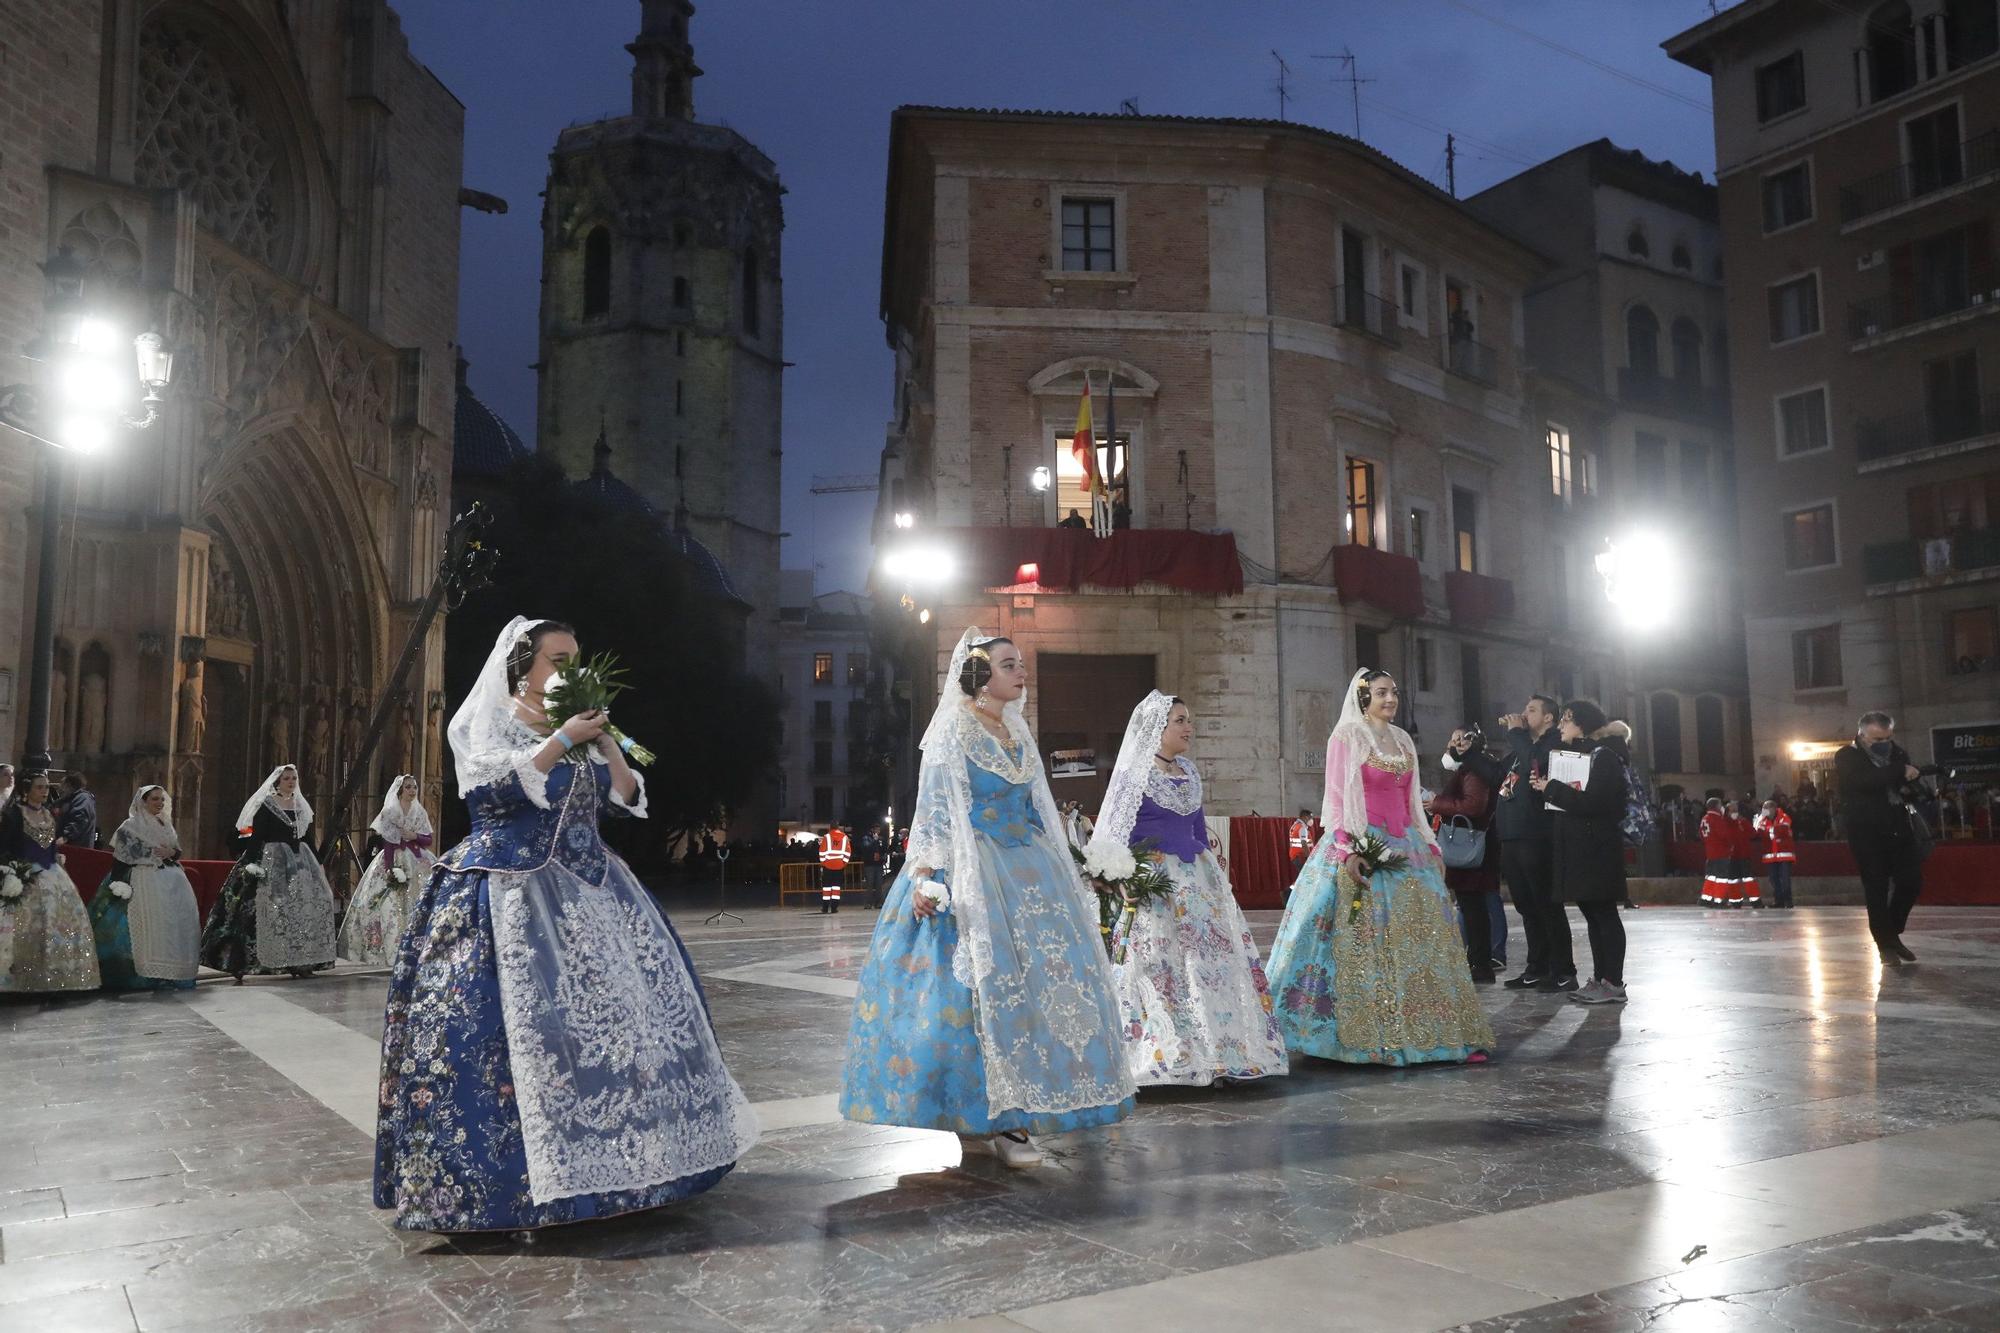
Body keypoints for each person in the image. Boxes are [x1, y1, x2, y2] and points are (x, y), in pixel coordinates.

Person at [374, 616, 757, 1232]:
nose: (570, 672)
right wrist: (560, 740)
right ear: (521, 667)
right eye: (558, 659)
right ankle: (519, 1186)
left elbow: (627, 796)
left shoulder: (579, 730)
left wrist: (604, 745)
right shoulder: (481, 723)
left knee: (621, 1030)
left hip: (596, 892)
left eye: (575, 660)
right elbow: (490, 790)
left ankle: (637, 1166)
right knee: (527, 1031)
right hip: (510, 890)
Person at [840, 630, 1134, 1168]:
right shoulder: (954, 728)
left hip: (1029, 873)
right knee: (972, 996)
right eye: (1008, 665)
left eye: (1020, 664)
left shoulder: (1018, 731)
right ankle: (986, 1120)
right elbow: (931, 811)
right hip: (972, 871)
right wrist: (927, 877)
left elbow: (1037, 812)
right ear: (979, 677)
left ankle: (1019, 1113)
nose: (1021, 672)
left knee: (1039, 993)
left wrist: (1077, 864)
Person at [1265, 670, 1494, 1065]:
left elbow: (1411, 802)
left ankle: (1435, 1034)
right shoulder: (1347, 738)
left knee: (1424, 944)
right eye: (1381, 693)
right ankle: (1360, 1037)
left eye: (1394, 692)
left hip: (1406, 844)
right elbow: (1336, 798)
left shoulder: (1403, 739)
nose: (1391, 699)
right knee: (1357, 940)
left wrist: (1430, 846)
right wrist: (1348, 848)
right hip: (1361, 840)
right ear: (1363, 697)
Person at [1091, 692, 1287, 1088]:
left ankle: (1220, 1051)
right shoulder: (1134, 775)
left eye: (1189, 720)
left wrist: (1215, 884)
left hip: (1198, 882)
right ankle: (1171, 1052)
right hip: (1155, 884)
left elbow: (1197, 830)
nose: (1188, 727)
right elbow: (1112, 838)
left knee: (1209, 965)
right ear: (1157, 728)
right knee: (1162, 966)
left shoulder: (1189, 772)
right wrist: (1126, 880)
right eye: (1180, 720)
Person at [1462, 695, 1575, 993]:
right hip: (1511, 837)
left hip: (1537, 835)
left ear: (1549, 718)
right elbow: (1497, 775)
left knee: (1547, 905)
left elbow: (1534, 765)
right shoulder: (1521, 747)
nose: (1524, 714)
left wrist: (1516, 733)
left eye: (1532, 710)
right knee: (1526, 906)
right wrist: (1469, 754)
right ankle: (1536, 967)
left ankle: (1563, 969)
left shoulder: (1553, 743)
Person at [1531, 705, 1631, 1005]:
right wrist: (1549, 788)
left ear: (1583, 724)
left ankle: (1612, 982)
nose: (1561, 725)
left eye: (1567, 719)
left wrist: (1554, 789)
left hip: (1597, 849)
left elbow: (1593, 803)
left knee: (1604, 914)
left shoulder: (1606, 757)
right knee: (1593, 914)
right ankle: (1601, 979)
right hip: (1583, 847)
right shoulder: (1590, 754)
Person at [199, 765, 338, 981]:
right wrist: (252, 864)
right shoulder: (267, 805)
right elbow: (257, 836)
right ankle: (245, 962)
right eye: (286, 779)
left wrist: (318, 862)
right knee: (259, 909)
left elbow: (307, 838)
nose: (291, 782)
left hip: (299, 860)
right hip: (271, 858)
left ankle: (301, 961)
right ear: (277, 782)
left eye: (294, 778)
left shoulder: (300, 805)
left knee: (304, 907)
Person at [88, 785, 200, 990]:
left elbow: (176, 851)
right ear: (143, 802)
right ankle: (141, 974)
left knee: (171, 925)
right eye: (155, 799)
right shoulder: (130, 826)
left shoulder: (166, 824)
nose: (160, 803)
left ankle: (171, 972)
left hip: (172, 881)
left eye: (162, 799)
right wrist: (120, 883)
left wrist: (171, 853)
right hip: (143, 878)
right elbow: (121, 857)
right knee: (144, 923)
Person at [1835, 711, 1925, 965]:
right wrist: (1900, 770)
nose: (1884, 742)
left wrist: (1912, 783)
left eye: (1887, 737)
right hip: (1867, 833)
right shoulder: (1847, 755)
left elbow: (1903, 785)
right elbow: (1863, 781)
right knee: (1876, 888)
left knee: (1912, 882)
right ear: (1862, 734)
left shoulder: (1897, 753)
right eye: (1877, 738)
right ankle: (1884, 944)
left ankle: (1891, 932)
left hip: (1900, 828)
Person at [0, 771, 102, 993]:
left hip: (53, 874)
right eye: (39, 787)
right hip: (26, 874)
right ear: (26, 790)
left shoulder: (48, 814)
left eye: (46, 787)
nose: (45, 791)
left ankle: (55, 976)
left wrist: (57, 858)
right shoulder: (15, 815)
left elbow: (51, 846)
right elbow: (5, 846)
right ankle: (22, 977)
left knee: (58, 923)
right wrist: (11, 871)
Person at [337, 775, 436, 965]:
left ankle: (419, 946)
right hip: (396, 858)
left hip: (417, 860)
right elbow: (389, 844)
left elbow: (428, 839)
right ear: (400, 790)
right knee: (385, 903)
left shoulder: (419, 811)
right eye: (408, 787)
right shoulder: (390, 812)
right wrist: (390, 869)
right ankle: (387, 948)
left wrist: (413, 835)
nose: (412, 791)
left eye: (414, 787)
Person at [1431, 728, 1502, 983]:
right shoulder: (1467, 769)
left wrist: (1435, 804)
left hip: (1470, 844)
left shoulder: (1474, 771)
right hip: (1468, 843)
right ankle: (1477, 961)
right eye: (1451, 739)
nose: (1451, 745)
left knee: (1474, 907)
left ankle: (1481, 964)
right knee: (1471, 906)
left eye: (1458, 740)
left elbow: (1473, 805)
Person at [1755, 798, 1796, 909]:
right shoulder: (1762, 820)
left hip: (1784, 855)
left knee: (1785, 879)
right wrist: (1765, 826)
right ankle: (1779, 901)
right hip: (1770, 856)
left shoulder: (1784, 817)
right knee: (1774, 880)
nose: (1764, 810)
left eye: (1766, 808)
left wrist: (1768, 830)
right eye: (1763, 808)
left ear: (1773, 808)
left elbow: (1782, 830)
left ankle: (1788, 901)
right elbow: (1759, 832)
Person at [1698, 799, 1739, 907]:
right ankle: (1719, 900)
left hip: (1710, 853)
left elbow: (1702, 836)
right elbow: (1724, 835)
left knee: (1711, 877)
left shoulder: (1705, 818)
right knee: (1721, 878)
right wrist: (1730, 845)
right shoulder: (1716, 819)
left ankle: (1705, 899)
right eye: (1720, 804)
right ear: (1716, 806)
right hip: (1721, 852)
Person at [1730, 798, 1763, 908]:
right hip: (1735, 856)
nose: (1733, 812)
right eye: (1732, 810)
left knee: (1744, 879)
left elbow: (1753, 834)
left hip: (1741, 855)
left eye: (1735, 810)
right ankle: (1737, 902)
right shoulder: (1729, 823)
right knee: (1735, 880)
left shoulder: (1742, 822)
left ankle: (1752, 902)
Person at [56, 772, 98, 849]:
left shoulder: (83, 798)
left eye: (62, 783)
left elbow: (79, 820)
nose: (59, 787)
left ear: (69, 785)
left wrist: (65, 837)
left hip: (77, 848)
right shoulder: (68, 799)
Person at [817, 823, 850, 914]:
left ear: (830, 827)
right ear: (838, 827)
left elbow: (822, 852)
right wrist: (843, 863)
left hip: (828, 866)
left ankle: (825, 908)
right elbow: (848, 852)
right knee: (836, 887)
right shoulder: (845, 837)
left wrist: (824, 863)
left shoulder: (826, 837)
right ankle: (834, 908)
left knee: (826, 888)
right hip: (839, 866)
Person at [1288, 808, 1316, 874]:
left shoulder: (1294, 826)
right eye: (1311, 818)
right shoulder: (1302, 828)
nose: (1312, 820)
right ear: (1305, 817)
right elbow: (1304, 844)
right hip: (1301, 857)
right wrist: (1310, 859)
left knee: (1302, 877)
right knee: (1306, 877)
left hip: (1296, 856)